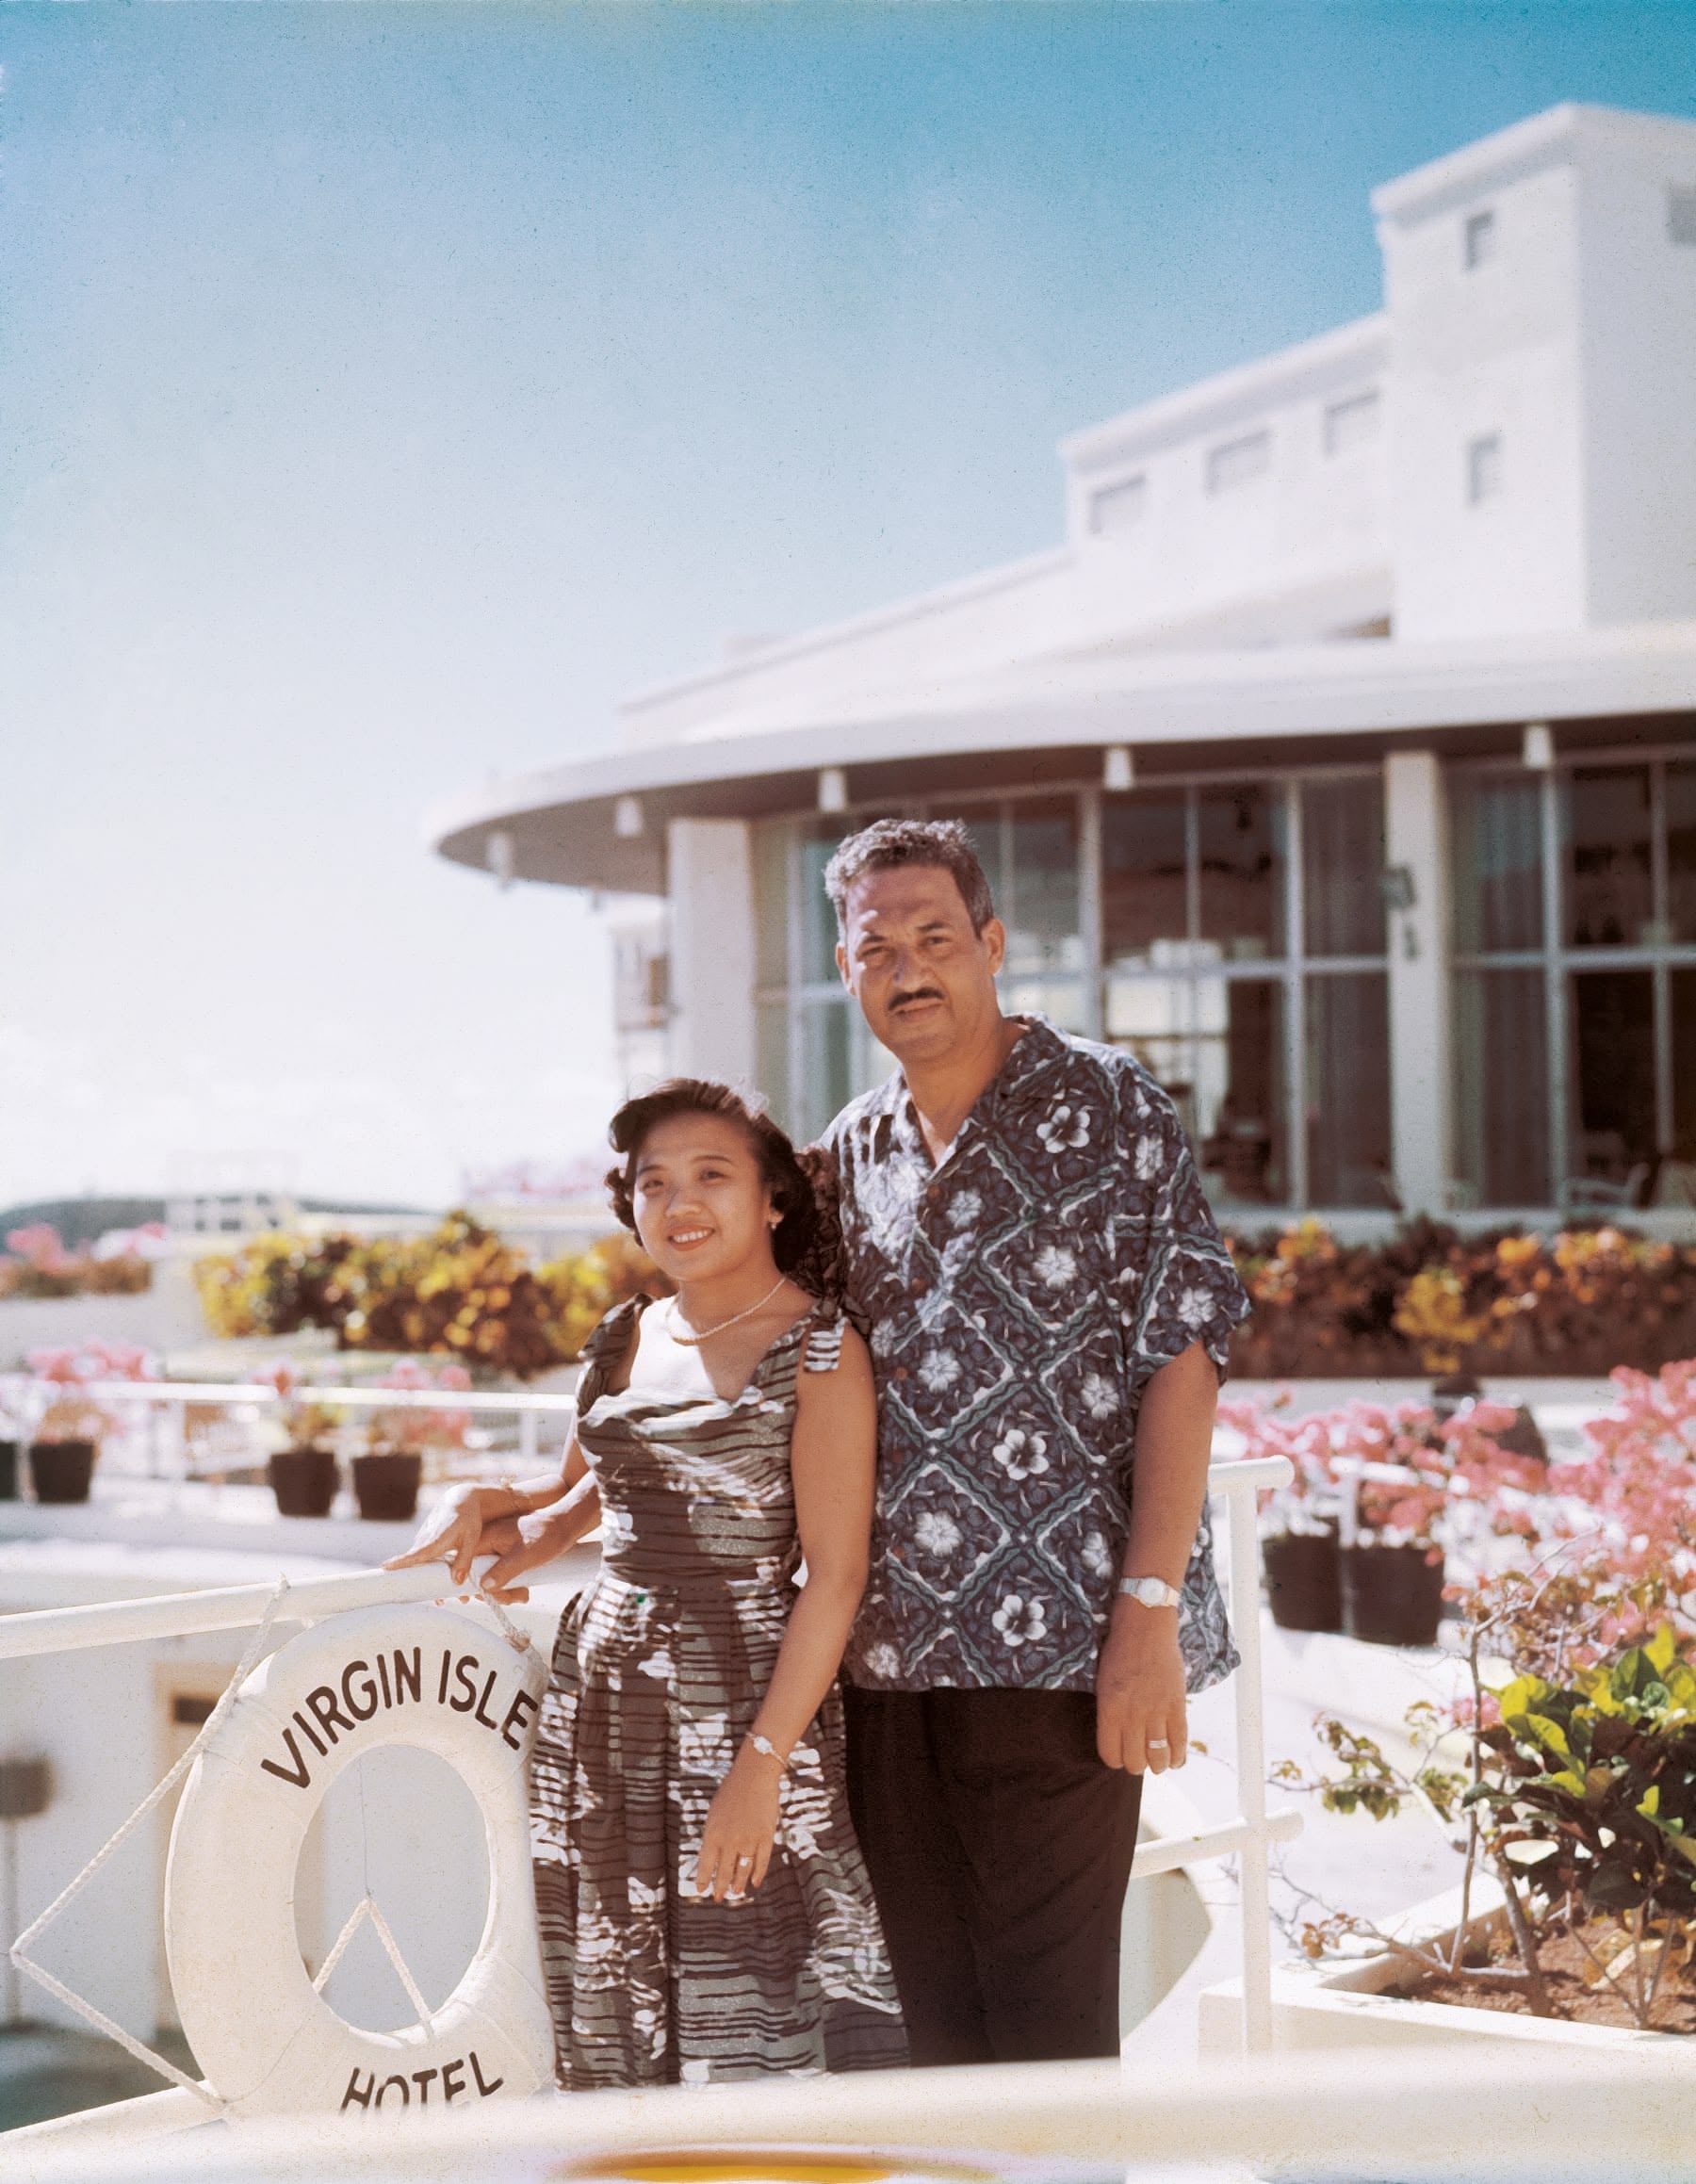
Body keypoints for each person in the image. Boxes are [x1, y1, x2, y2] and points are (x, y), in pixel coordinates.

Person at [817, 817, 1252, 2068]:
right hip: (888, 1665)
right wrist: (564, 1495)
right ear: (847, 969)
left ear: (992, 943)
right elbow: (751, 1342)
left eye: (936, 936)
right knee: (939, 2048)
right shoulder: (853, 1150)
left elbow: (1183, 1352)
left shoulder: (1109, 1103)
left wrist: (1149, 1612)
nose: (909, 967)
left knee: (1052, 2046)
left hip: (1065, 1653)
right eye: (877, 944)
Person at [387, 1080, 905, 2088]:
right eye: (654, 1183)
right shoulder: (627, 1334)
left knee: (750, 1993)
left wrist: (759, 1768)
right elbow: (584, 1492)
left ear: (773, 1199)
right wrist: (495, 1509)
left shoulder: (824, 1351)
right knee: (614, 1984)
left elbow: (836, 1580)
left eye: (712, 1174)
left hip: (746, 1702)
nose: (679, 1203)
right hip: (608, 1706)